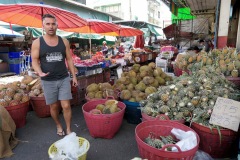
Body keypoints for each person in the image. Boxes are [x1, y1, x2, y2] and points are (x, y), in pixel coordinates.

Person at [31, 14, 78, 136]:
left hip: (63, 78)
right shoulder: (37, 43)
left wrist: (74, 76)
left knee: (66, 105)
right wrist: (39, 71)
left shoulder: (64, 41)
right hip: (48, 80)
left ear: (57, 25)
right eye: (48, 24)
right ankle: (58, 124)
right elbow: (34, 60)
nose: (51, 26)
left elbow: (69, 59)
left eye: (53, 24)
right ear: (43, 26)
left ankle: (68, 128)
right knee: (54, 106)